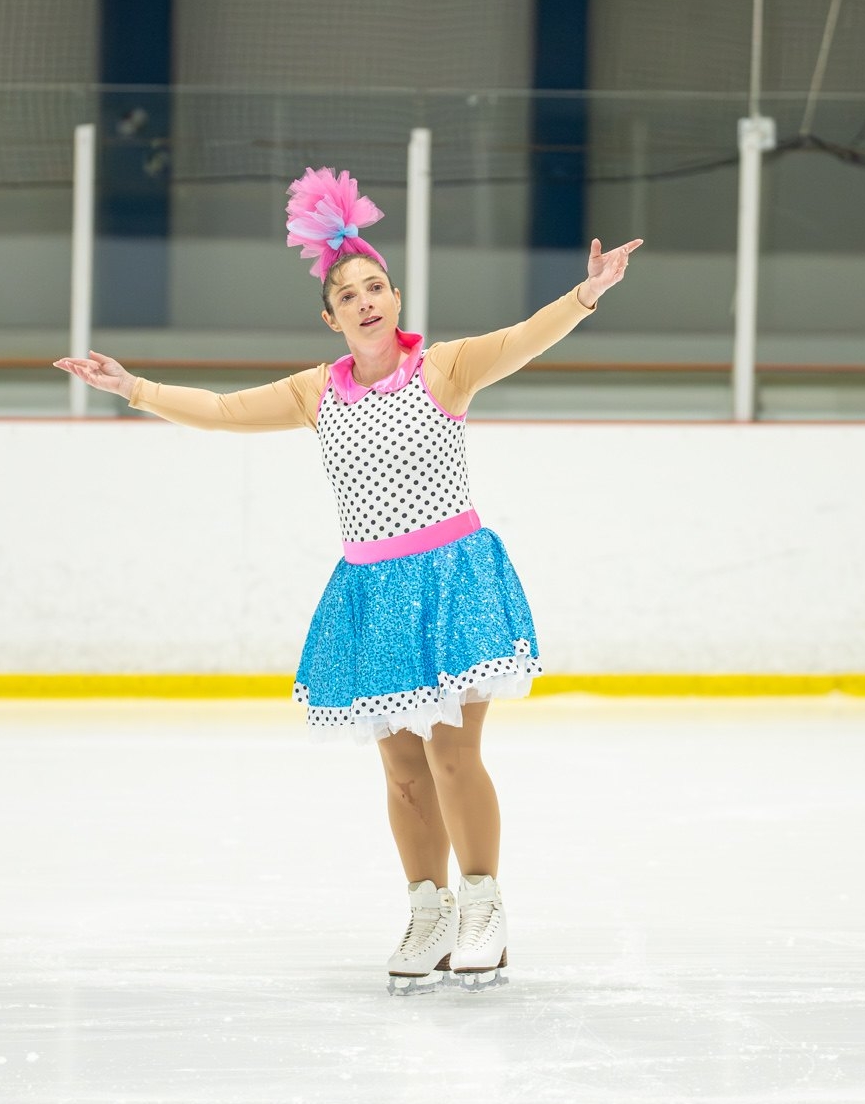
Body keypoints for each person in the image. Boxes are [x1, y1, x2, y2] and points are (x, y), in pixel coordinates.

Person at [55, 167, 641, 997]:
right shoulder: (315, 393)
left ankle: (483, 906)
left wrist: (587, 293)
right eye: (347, 295)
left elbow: (522, 338)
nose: (364, 302)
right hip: (372, 594)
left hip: (452, 579)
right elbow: (223, 411)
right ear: (329, 317)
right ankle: (429, 910)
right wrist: (134, 389)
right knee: (401, 772)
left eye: (374, 288)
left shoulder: (444, 369)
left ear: (395, 299)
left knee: (452, 756)